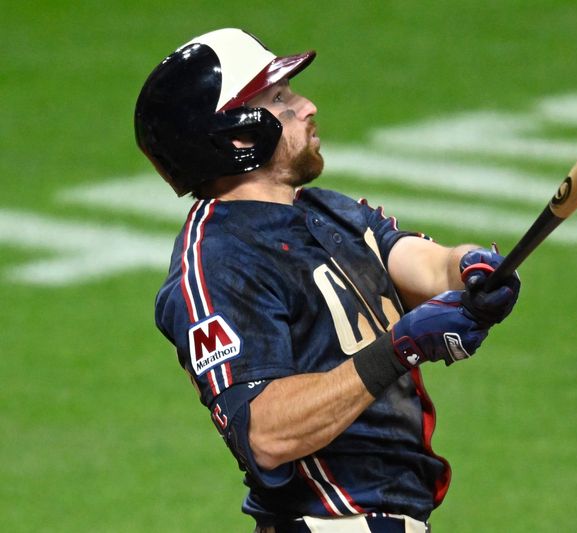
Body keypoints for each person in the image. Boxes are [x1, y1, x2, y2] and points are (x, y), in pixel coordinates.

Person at [135, 28, 521, 532]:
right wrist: (400, 348)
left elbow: (428, 266)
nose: (308, 105)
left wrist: (473, 268)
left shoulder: (329, 212)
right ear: (238, 135)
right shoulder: (219, 261)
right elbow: (265, 433)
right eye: (281, 99)